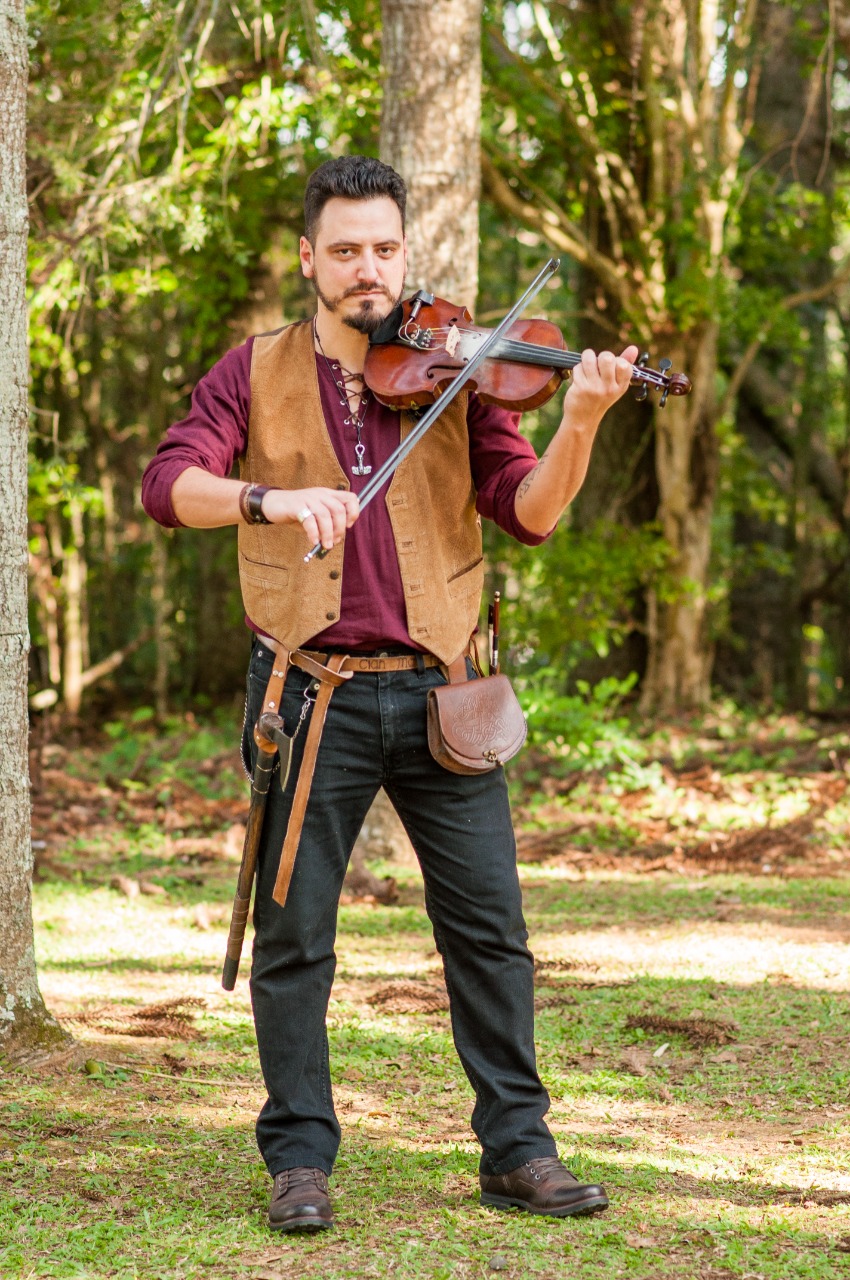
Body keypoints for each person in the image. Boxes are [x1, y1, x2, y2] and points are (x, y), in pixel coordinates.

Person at [141, 155, 638, 1233]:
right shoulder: (253, 369)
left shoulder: (464, 366)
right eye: (346, 250)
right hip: (309, 695)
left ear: (405, 251)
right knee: (293, 937)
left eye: (384, 248)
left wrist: (584, 421)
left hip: (444, 695)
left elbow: (529, 512)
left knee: (491, 934)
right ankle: (298, 1159)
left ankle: (519, 1150)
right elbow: (168, 485)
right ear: (308, 259)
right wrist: (266, 499)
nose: (368, 269)